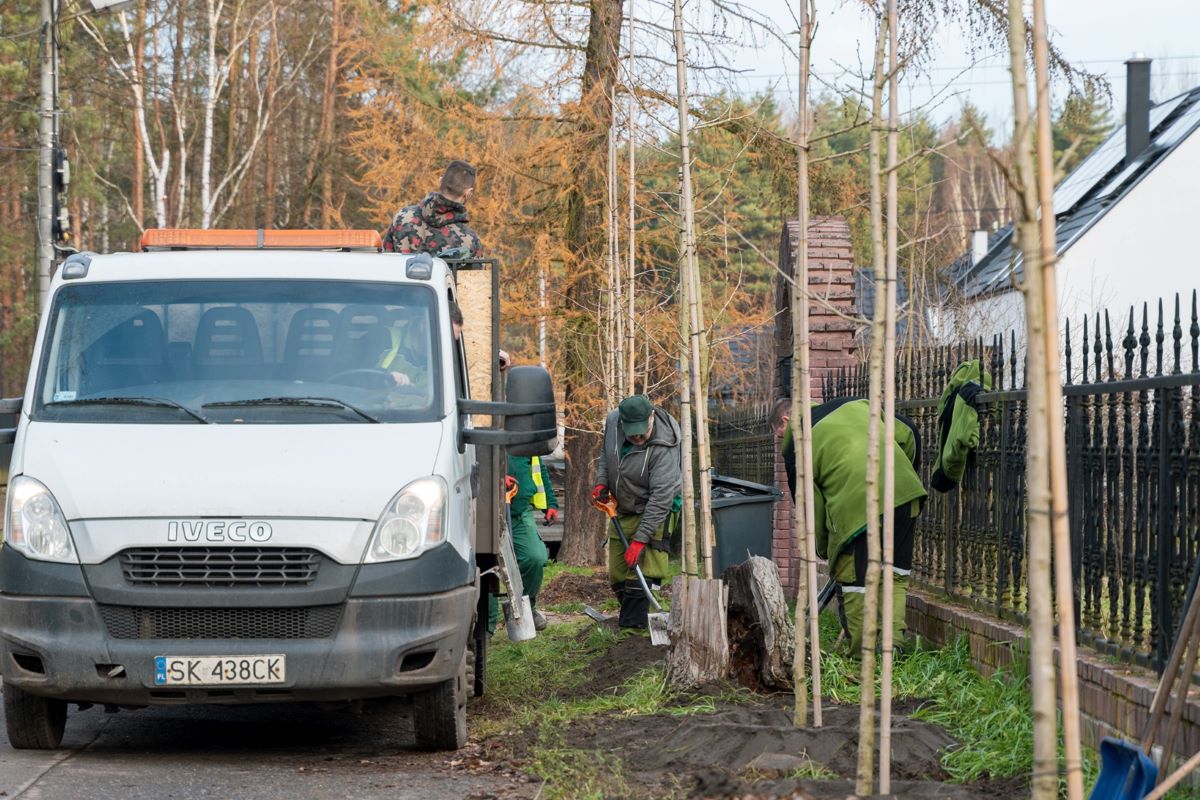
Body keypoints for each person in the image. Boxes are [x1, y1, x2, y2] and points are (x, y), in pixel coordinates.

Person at [771, 397, 927, 657]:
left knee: (855, 583)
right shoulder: (854, 404)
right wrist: (903, 476)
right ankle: (895, 648)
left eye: (779, 435)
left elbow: (812, 508)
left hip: (858, 505)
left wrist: (826, 549)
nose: (780, 442)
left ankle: (861, 655)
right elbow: (909, 432)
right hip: (906, 494)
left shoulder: (796, 447)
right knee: (895, 576)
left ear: (786, 421)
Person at [593, 395, 681, 629]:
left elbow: (661, 497)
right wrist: (602, 482)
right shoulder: (613, 422)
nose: (638, 437)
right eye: (632, 433)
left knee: (645, 570)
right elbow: (606, 455)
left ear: (651, 417)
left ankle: (637, 629)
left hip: (655, 508)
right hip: (623, 507)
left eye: (642, 431)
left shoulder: (666, 444)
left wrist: (641, 540)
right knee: (618, 574)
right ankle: (633, 622)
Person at [501, 453, 558, 631]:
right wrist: (496, 478)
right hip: (487, 515)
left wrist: (551, 503)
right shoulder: (484, 429)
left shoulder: (525, 439)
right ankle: (486, 623)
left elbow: (538, 471)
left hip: (520, 514)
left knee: (535, 557)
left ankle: (526, 608)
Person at [383, 161, 484, 258]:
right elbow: (477, 275)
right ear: (468, 193)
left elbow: (387, 261)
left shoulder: (402, 218)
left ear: (440, 181)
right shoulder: (471, 241)